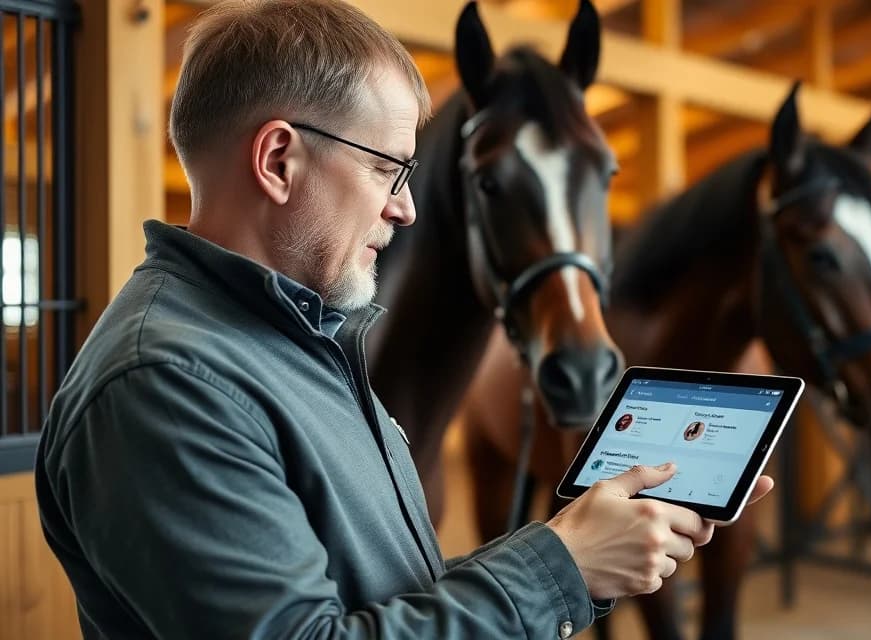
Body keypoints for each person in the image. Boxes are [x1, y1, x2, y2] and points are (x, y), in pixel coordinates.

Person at [34, 1, 773, 639]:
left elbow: (384, 594)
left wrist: (581, 549)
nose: (406, 208)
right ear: (279, 160)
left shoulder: (300, 343)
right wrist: (559, 567)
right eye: (389, 169)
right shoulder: (166, 385)